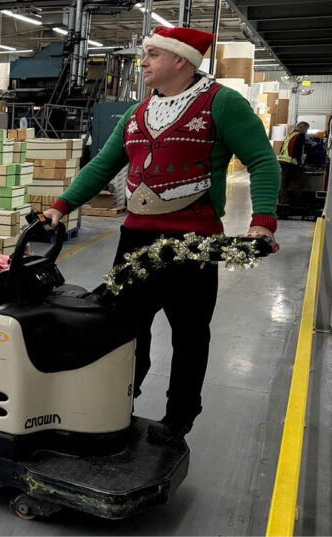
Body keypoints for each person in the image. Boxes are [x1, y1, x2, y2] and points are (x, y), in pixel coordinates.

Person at [42, 26, 280, 443]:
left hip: (193, 244)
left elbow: (262, 161)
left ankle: (180, 416)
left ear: (180, 61)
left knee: (189, 333)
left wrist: (262, 220)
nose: (143, 62)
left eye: (152, 54)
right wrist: (62, 206)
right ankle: (120, 398)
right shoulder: (138, 113)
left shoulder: (222, 104)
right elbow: (103, 165)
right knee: (123, 327)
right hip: (134, 240)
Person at [277, 121, 309, 210]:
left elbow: (282, 148)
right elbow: (298, 150)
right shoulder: (300, 135)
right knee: (300, 182)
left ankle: (282, 201)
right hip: (292, 163)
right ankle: (299, 202)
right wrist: (300, 163)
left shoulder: (291, 134)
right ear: (301, 127)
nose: (306, 132)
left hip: (283, 162)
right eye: (306, 129)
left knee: (284, 183)